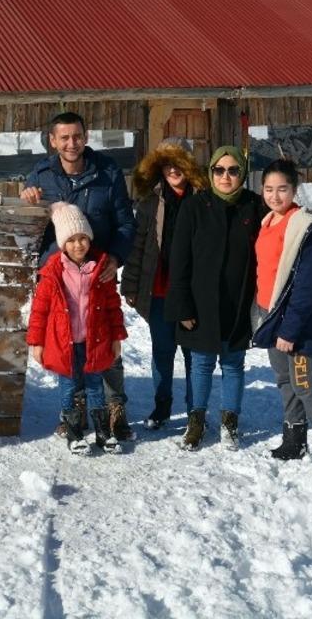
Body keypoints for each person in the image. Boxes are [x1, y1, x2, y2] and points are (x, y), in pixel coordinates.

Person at [20, 111, 136, 441]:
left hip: (97, 272)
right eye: (64, 137)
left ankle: (116, 409)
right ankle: (74, 412)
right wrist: (27, 199)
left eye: (77, 136)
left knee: (105, 341)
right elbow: (31, 227)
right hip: (58, 278)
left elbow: (126, 223)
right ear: (53, 141)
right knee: (67, 343)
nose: (72, 143)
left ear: (86, 137)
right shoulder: (40, 176)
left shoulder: (107, 172)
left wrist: (115, 257)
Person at [165, 146, 267, 451]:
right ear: (211, 173)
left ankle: (230, 421)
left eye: (233, 170)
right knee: (200, 363)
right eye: (219, 170)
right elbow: (179, 260)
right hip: (201, 302)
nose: (226, 176)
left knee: (234, 363)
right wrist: (182, 305)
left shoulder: (254, 206)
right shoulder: (195, 207)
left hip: (239, 303)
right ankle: (196, 421)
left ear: (243, 174)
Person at [251, 159, 312, 464]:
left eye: (282, 189)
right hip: (270, 314)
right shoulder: (268, 222)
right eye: (268, 189)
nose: (275, 196)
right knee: (284, 380)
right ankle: (295, 440)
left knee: (306, 383)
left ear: (294, 189)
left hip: (297, 322)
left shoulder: (306, 229)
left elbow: (306, 285)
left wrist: (289, 330)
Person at [27, 203, 127, 454]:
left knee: (95, 386)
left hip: (95, 341)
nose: (78, 245)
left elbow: (113, 307)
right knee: (69, 387)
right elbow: (39, 311)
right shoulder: (52, 273)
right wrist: (37, 342)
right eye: (71, 240)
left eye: (83, 238)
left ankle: (103, 433)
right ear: (62, 243)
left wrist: (116, 337)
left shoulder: (100, 269)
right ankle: (74, 432)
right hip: (64, 344)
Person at [120, 139, 206, 430]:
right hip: (158, 290)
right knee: (162, 351)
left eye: (178, 163)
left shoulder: (202, 199)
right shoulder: (151, 202)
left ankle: (196, 411)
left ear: (188, 166)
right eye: (167, 164)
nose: (173, 169)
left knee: (194, 354)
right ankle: (162, 406)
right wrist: (130, 286)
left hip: (193, 294)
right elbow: (138, 247)